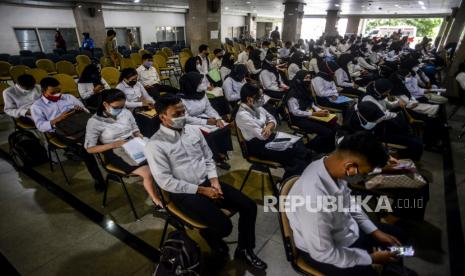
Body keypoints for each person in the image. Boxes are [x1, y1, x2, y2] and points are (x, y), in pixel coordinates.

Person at [144, 94, 268, 270]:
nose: (182, 116)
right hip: (184, 192)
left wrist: (214, 181)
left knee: (249, 206)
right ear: (163, 117)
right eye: (176, 114)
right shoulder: (155, 145)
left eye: (183, 111)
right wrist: (202, 191)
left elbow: (208, 158)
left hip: (207, 182)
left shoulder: (193, 130)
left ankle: (245, 249)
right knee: (224, 227)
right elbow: (165, 181)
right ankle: (210, 235)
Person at [287, 131, 406, 276]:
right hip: (325, 253)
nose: (364, 177)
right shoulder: (314, 202)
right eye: (365, 173)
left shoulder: (330, 166)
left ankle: (393, 265)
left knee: (400, 238)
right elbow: (324, 254)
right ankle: (388, 267)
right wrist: (370, 258)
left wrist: (375, 231)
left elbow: (350, 203)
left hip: (345, 230)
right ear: (350, 167)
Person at [84, 89, 162, 208]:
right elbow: (90, 149)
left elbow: (134, 128)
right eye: (117, 107)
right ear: (105, 104)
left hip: (133, 143)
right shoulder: (94, 122)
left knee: (162, 158)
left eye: (122, 106)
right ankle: (157, 201)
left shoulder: (125, 112)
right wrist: (113, 145)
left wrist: (138, 135)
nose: (120, 109)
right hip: (115, 150)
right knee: (148, 172)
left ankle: (167, 192)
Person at [30, 77, 105, 190]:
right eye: (53, 92)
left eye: (58, 91)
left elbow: (86, 111)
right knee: (86, 148)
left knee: (106, 134)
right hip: (60, 131)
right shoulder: (37, 106)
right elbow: (41, 126)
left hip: (79, 124)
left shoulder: (68, 97)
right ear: (43, 91)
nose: (57, 94)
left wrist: (81, 110)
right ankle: (98, 179)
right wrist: (58, 119)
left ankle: (111, 163)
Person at [235, 83, 311, 181]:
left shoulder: (256, 106)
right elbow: (263, 136)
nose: (262, 99)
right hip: (257, 146)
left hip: (269, 138)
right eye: (260, 97)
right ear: (249, 99)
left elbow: (272, 118)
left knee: (299, 143)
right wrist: (269, 126)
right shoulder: (242, 115)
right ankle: (288, 184)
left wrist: (269, 126)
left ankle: (297, 179)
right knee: (296, 155)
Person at [178, 72, 233, 169]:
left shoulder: (201, 94)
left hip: (203, 117)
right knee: (209, 134)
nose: (202, 85)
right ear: (191, 84)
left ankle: (222, 152)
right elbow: (185, 118)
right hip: (190, 123)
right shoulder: (181, 99)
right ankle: (216, 158)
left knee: (224, 127)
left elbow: (209, 108)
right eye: (199, 83)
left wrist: (218, 118)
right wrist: (205, 122)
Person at [361, 79, 423, 161]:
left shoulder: (378, 95)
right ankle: (405, 158)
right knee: (416, 143)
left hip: (387, 125)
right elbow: (382, 115)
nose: (388, 94)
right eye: (386, 92)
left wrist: (398, 104)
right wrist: (395, 114)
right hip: (379, 130)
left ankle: (405, 156)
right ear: (380, 90)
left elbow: (388, 106)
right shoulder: (368, 100)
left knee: (414, 138)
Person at [285, 70, 337, 153]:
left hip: (309, 114)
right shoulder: (292, 94)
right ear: (299, 79)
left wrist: (320, 110)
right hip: (299, 119)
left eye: (309, 78)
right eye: (306, 78)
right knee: (327, 132)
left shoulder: (305, 90)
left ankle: (328, 147)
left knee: (334, 125)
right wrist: (314, 113)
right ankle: (311, 147)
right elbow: (295, 112)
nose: (308, 80)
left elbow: (311, 103)